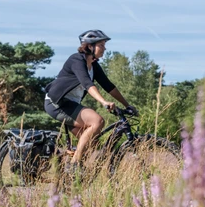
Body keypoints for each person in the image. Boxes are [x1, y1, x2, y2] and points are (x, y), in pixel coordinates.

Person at [43, 29, 138, 173]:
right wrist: (103, 102)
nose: (105, 48)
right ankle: (75, 164)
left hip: (71, 104)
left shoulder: (94, 65)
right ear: (89, 46)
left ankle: (69, 177)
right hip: (57, 103)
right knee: (97, 121)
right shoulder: (76, 60)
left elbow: (109, 86)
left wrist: (127, 105)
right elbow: (87, 83)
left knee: (91, 144)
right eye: (101, 44)